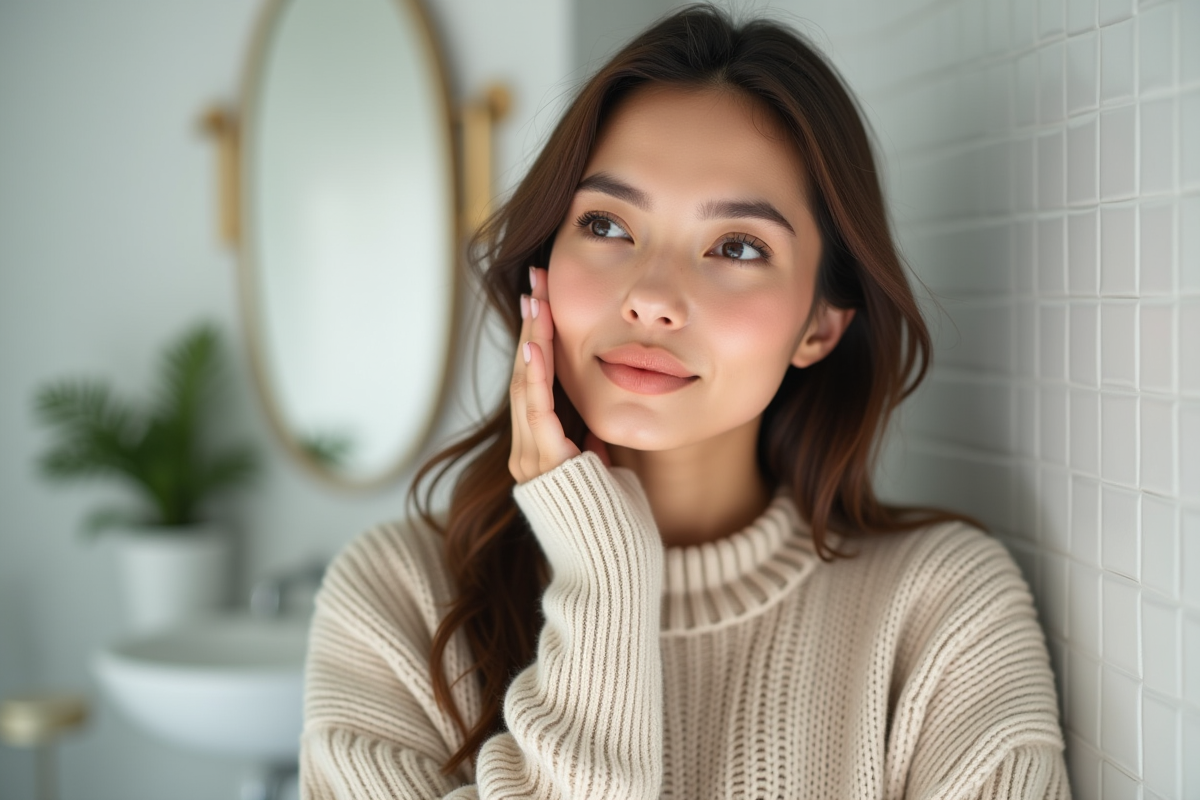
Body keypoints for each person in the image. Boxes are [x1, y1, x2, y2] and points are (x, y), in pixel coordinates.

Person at [300, 5, 1070, 798]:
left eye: (737, 246)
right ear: (544, 260)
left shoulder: (942, 615)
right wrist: (602, 580)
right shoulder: (400, 599)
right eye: (605, 223)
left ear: (820, 324)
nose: (653, 298)